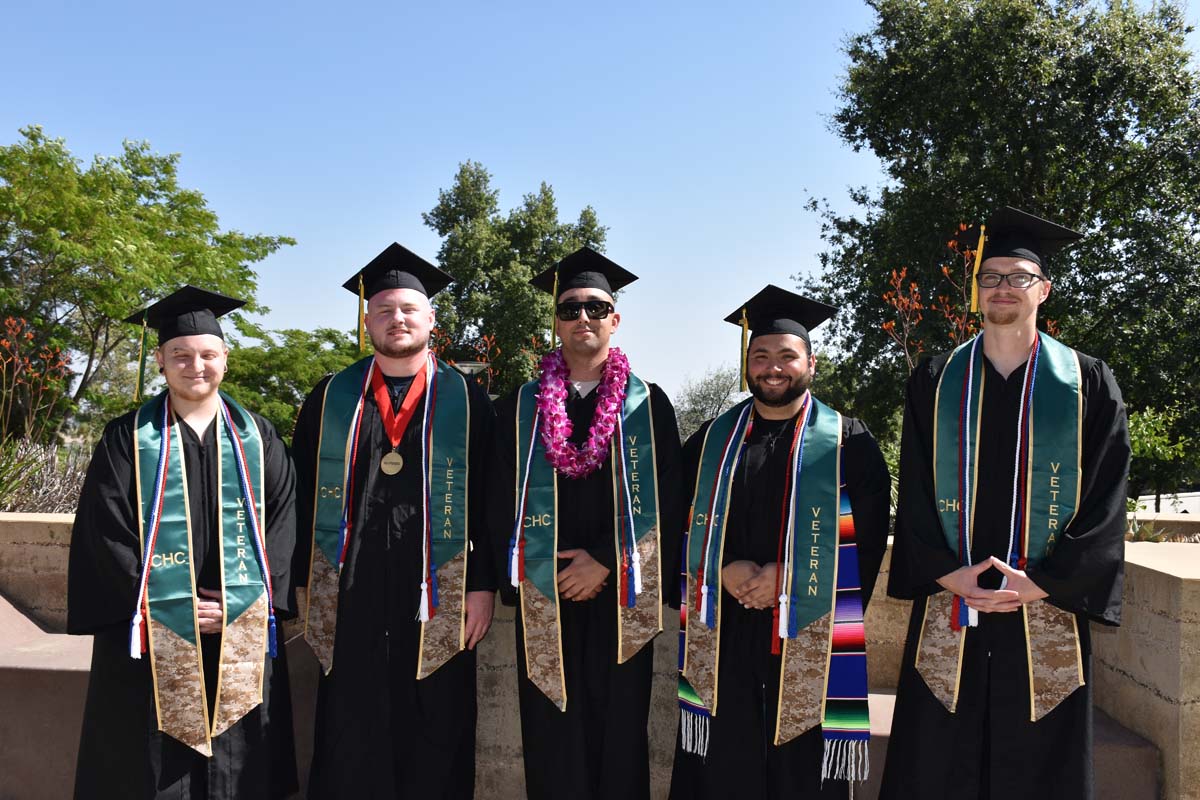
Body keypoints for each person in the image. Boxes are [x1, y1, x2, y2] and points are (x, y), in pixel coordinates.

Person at [879, 208, 1131, 799]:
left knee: (1039, 762)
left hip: (1044, 604)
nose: (1001, 289)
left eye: (1016, 276)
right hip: (952, 599)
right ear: (978, 291)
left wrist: (1044, 582)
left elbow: (1106, 497)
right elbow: (911, 486)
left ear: (1042, 289)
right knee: (937, 759)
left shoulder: (1086, 383)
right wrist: (947, 572)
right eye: (990, 277)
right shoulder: (938, 380)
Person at [68, 286, 298, 799]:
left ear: (225, 359)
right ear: (161, 360)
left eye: (208, 355)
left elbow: (284, 526)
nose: (196, 366)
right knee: (146, 768)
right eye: (181, 355)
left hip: (237, 631)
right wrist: (165, 603)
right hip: (151, 636)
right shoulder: (127, 438)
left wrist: (245, 603)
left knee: (241, 766)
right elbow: (105, 531)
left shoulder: (259, 438)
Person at [291, 242, 496, 799]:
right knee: (351, 718)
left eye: (408, 309)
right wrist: (305, 582)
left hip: (438, 587)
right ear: (367, 322)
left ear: (431, 318)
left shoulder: (469, 400)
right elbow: (302, 493)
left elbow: (494, 499)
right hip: (350, 584)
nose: (397, 319)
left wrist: (481, 587)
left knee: (437, 713)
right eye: (384, 310)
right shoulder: (332, 396)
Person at [669, 285, 891, 799]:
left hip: (808, 622)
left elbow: (871, 539)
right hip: (724, 624)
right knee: (725, 759)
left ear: (811, 362)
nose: (773, 368)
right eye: (761, 356)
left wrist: (790, 579)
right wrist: (719, 569)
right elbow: (676, 520)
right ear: (747, 363)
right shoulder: (709, 441)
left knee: (802, 763)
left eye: (786, 356)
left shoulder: (848, 442)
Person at [488, 247, 684, 800]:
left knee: (621, 729)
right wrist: (538, 567)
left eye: (596, 308)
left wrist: (605, 557)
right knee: (550, 725)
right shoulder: (519, 407)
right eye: (571, 308)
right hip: (544, 588)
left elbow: (669, 498)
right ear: (555, 321)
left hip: (621, 587)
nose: (583, 319)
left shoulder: (648, 405)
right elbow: (497, 498)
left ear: (614, 320)